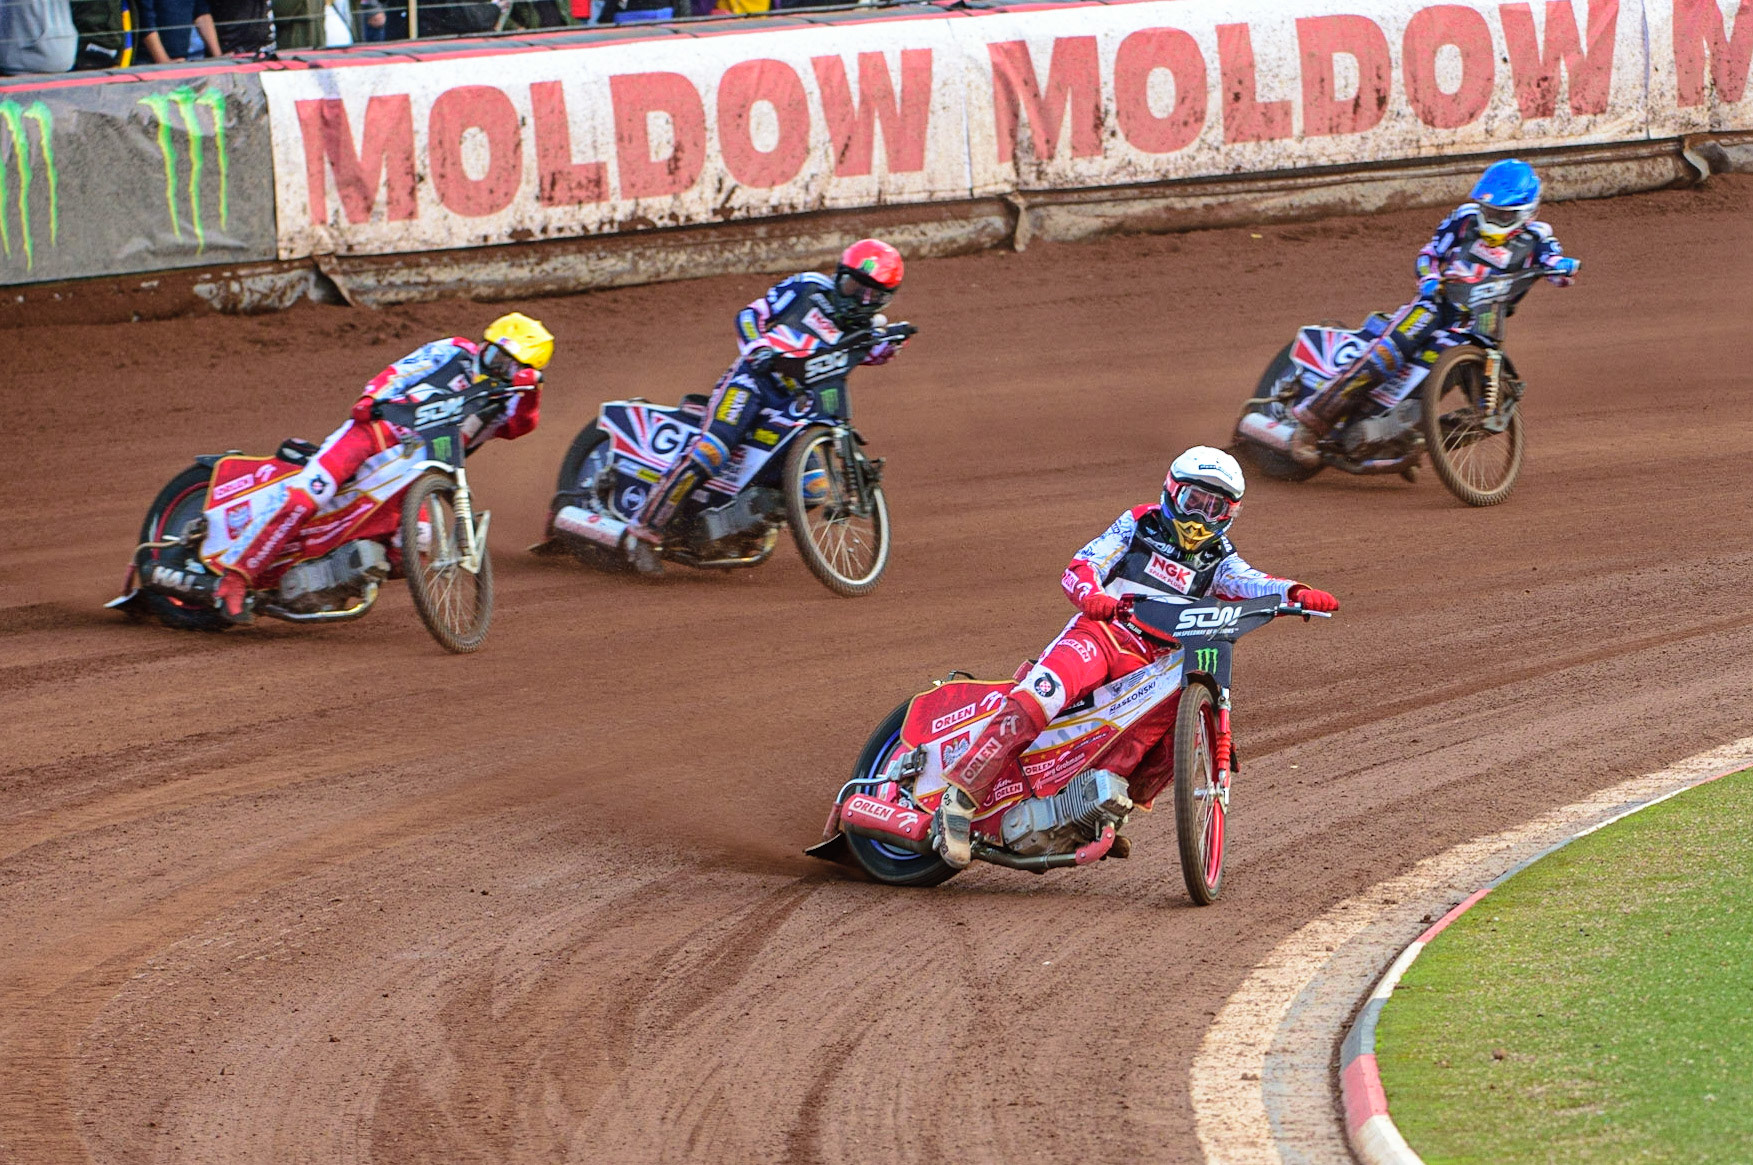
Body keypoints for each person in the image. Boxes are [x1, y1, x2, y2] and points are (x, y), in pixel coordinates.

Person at [932, 446, 1339, 869]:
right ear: (1172, 491)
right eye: (1193, 501)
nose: (1200, 516)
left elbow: (1253, 582)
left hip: (1155, 659)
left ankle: (1096, 811)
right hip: (1105, 632)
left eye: (1213, 507)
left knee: (1168, 733)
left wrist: (1294, 593)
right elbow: (1083, 564)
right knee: (1045, 693)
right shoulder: (1139, 522)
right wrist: (1093, 597)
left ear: (1229, 513)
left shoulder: (1220, 559)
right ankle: (959, 798)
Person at [211, 313, 554, 622]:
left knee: (409, 553)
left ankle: (324, 580)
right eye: (493, 354)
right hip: (378, 431)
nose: (494, 367)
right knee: (307, 497)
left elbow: (520, 425)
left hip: (419, 470)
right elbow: (403, 370)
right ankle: (236, 578)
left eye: (509, 366)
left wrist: (530, 393)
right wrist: (370, 398)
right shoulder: (454, 351)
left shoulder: (510, 398)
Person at [621, 238, 909, 571]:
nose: (860, 299)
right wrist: (756, 348)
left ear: (885, 300)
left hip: (797, 408)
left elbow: (876, 354)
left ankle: (741, 529)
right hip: (752, 383)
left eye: (872, 295)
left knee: (813, 489)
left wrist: (893, 342)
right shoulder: (808, 287)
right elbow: (750, 315)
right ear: (839, 274)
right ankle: (644, 531)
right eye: (854, 286)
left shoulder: (867, 331)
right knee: (711, 452)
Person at [1288, 158, 1581, 466]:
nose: (1491, 218)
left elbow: (1556, 268)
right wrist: (1429, 279)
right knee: (1385, 357)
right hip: (1436, 305)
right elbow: (1430, 253)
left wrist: (1564, 268)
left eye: (1501, 214)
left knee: (1485, 401)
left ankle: (1401, 441)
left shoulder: (1538, 238)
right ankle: (1309, 425)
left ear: (1525, 213)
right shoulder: (1465, 218)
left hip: (1479, 324)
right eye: (1489, 210)